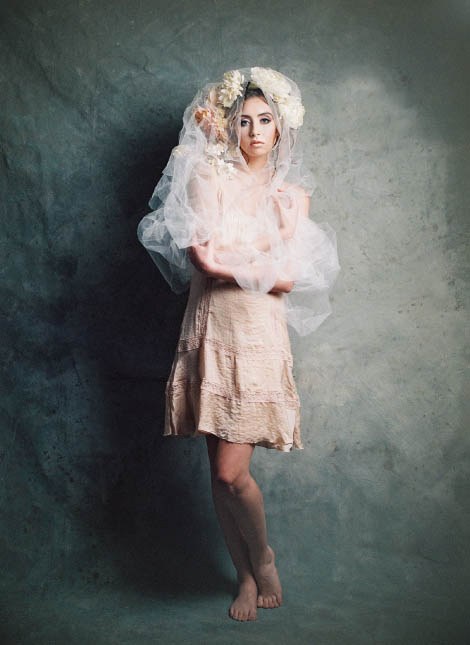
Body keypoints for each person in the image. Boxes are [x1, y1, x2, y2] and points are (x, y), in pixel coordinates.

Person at [137, 67, 340, 621]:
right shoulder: (208, 176)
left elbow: (288, 280)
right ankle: (245, 576)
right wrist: (256, 256)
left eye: (265, 121)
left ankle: (265, 557)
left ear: (281, 131)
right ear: (231, 126)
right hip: (211, 324)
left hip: (256, 331)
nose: (254, 131)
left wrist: (245, 254)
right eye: (244, 120)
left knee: (233, 473)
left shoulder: (290, 197)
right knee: (217, 474)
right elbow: (204, 259)